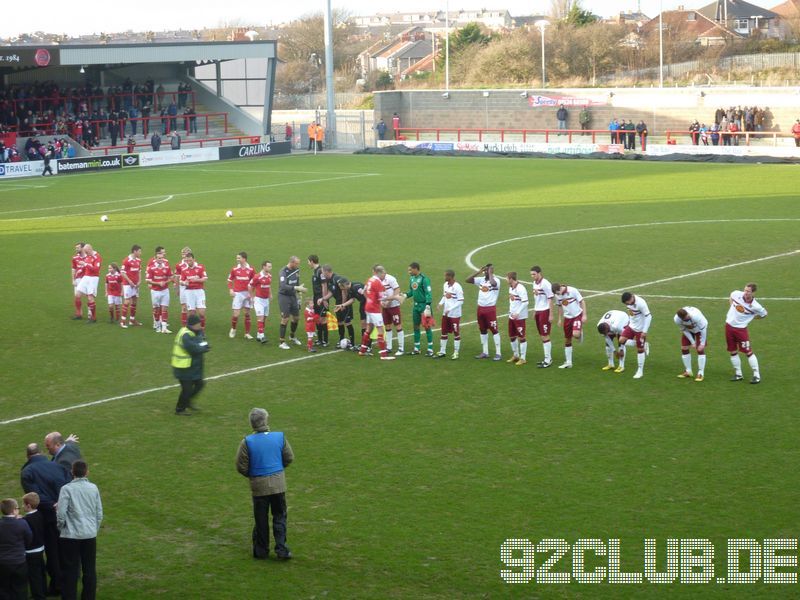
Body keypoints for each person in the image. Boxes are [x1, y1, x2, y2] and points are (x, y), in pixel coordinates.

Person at [235, 408, 294, 560]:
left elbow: (241, 466)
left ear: (252, 424)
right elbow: (289, 458)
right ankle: (281, 549)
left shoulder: (247, 442)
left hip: (258, 487)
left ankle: (261, 551)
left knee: (261, 519)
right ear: (266, 421)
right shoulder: (279, 437)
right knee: (279, 516)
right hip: (278, 485)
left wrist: (254, 475)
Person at [20, 444, 70, 597]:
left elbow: (35, 497)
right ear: (41, 452)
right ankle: (68, 581)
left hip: (47, 518)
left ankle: (57, 585)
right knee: (65, 550)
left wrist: (52, 505)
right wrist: (62, 503)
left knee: (53, 552)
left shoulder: (27, 472)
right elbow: (68, 486)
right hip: (65, 514)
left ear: (28, 456)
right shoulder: (57, 466)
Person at [56, 460, 103, 600]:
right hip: (89, 534)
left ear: (72, 472)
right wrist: (94, 529)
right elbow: (99, 513)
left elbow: (61, 513)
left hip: (70, 536)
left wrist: (61, 528)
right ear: (87, 472)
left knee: (70, 569)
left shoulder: (66, 489)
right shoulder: (93, 488)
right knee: (89, 569)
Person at [726, 283, 767, 384]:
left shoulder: (756, 306)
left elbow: (764, 314)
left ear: (753, 293)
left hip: (741, 330)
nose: (746, 293)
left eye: (748, 291)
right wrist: (732, 306)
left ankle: (757, 375)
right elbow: (731, 296)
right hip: (729, 326)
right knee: (732, 351)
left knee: (748, 352)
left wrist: (753, 318)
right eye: (745, 290)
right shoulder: (736, 294)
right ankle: (738, 374)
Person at [171, 314, 210, 415]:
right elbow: (193, 348)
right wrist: (204, 348)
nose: (200, 326)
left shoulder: (197, 331)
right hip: (183, 367)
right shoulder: (186, 334)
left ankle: (187, 402)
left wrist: (205, 345)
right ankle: (180, 409)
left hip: (193, 367)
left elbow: (203, 341)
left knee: (199, 384)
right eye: (198, 324)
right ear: (193, 325)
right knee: (187, 389)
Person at [466, 263, 502, 360]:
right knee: (482, 329)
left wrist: (490, 273)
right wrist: (478, 272)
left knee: (494, 330)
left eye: (488, 270)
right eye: (485, 270)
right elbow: (468, 280)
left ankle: (498, 353)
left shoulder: (496, 280)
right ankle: (485, 352)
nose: (486, 272)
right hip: (480, 308)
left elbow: (493, 284)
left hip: (490, 309)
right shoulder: (481, 280)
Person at [359, 265, 395, 360]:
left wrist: (370, 299)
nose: (385, 275)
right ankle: (384, 355)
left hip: (368, 307)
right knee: (380, 330)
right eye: (384, 273)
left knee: (368, 329)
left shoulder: (370, 280)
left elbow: (364, 291)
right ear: (379, 273)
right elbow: (382, 298)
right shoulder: (378, 282)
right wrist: (395, 297)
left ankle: (362, 350)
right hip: (375, 309)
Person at [0, 498, 32, 600]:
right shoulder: (22, 523)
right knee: (20, 588)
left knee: (3, 589)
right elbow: (29, 538)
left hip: (2, 562)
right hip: (19, 561)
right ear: (14, 510)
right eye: (17, 508)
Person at [551, 282, 587, 369]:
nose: (558, 295)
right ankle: (568, 362)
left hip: (577, 315)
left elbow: (582, 301)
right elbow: (559, 306)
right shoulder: (557, 295)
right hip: (567, 318)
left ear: (560, 288)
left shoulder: (572, 290)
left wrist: (585, 315)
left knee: (575, 334)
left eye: (558, 293)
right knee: (567, 340)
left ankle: (579, 332)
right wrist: (560, 319)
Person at [403, 262, 434, 356]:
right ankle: (417, 348)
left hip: (424, 306)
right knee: (416, 326)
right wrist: (405, 295)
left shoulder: (424, 279)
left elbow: (428, 293)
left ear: (416, 269)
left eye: (410, 270)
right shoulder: (412, 279)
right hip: (416, 306)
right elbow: (412, 291)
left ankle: (430, 349)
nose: (409, 272)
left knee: (427, 326)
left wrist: (428, 306)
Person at [619, 291, 652, 379]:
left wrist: (644, 331)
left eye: (628, 302)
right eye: (626, 303)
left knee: (640, 350)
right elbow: (632, 314)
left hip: (640, 329)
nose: (628, 304)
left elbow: (648, 316)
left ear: (632, 297)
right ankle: (644, 344)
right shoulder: (628, 303)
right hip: (631, 326)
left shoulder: (641, 303)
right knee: (621, 340)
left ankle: (640, 371)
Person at [277, 256, 307, 350]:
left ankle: (292, 336)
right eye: (297, 263)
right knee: (285, 318)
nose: (298, 265)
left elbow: (296, 282)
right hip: (284, 296)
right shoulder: (283, 272)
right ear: (292, 262)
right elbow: (283, 286)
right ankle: (282, 342)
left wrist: (299, 292)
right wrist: (296, 288)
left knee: (296, 317)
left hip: (293, 296)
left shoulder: (296, 270)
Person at [22, 492, 47, 600]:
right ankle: (44, 591)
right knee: (41, 571)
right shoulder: (40, 515)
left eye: (23, 504)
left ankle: (38, 596)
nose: (22, 506)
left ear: (28, 505)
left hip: (31, 551)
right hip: (40, 548)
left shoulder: (25, 520)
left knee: (34, 575)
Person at [435, 270, 464, 360]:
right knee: (443, 332)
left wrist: (450, 309)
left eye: (445, 276)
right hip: (446, 313)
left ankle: (456, 352)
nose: (444, 277)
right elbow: (445, 296)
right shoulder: (445, 285)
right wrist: (440, 304)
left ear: (450, 276)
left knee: (456, 332)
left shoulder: (457, 287)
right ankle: (442, 351)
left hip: (454, 314)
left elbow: (461, 301)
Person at [674, 306, 708, 382]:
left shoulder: (696, 316)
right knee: (684, 348)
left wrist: (702, 344)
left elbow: (703, 330)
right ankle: (688, 371)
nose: (688, 318)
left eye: (688, 316)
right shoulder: (677, 319)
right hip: (689, 330)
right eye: (686, 318)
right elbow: (684, 330)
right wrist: (692, 342)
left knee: (699, 349)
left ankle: (701, 373)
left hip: (700, 329)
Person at [530, 266, 554, 368]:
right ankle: (547, 358)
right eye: (531, 274)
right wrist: (535, 311)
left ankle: (548, 360)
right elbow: (537, 298)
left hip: (545, 311)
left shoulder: (545, 283)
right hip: (539, 311)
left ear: (539, 273)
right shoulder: (534, 283)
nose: (532, 276)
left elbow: (550, 299)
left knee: (545, 335)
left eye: (534, 274)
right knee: (541, 335)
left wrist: (551, 314)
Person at [228, 252, 255, 340]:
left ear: (244, 259)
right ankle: (233, 329)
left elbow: (254, 282)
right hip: (238, 294)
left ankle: (247, 333)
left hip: (247, 294)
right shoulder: (235, 269)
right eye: (237, 258)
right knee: (236, 314)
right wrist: (231, 289)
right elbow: (229, 280)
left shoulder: (251, 269)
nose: (237, 259)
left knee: (247, 313)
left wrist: (251, 294)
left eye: (239, 258)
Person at [146, 247, 172, 334]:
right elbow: (148, 280)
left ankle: (164, 328)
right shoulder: (151, 268)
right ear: (156, 259)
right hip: (155, 291)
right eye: (159, 258)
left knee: (164, 308)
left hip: (165, 290)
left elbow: (171, 277)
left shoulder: (167, 266)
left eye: (162, 258)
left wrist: (165, 282)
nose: (161, 260)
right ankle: (157, 325)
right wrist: (157, 284)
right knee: (156, 309)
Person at [335, 278, 366, 348]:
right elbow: (352, 300)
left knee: (366, 324)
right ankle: (364, 344)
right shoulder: (350, 289)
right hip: (362, 304)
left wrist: (371, 305)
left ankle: (366, 345)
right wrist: (342, 305)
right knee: (363, 324)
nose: (341, 289)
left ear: (345, 285)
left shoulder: (356, 287)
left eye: (341, 287)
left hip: (367, 305)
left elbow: (366, 294)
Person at [506, 272, 529, 366]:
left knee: (521, 337)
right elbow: (513, 301)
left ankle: (523, 358)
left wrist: (518, 312)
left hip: (519, 317)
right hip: (511, 316)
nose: (506, 280)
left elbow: (526, 302)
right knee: (512, 336)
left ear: (511, 279)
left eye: (507, 278)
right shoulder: (511, 287)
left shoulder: (521, 288)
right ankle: (515, 355)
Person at [180, 253, 207, 330]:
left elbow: (205, 278)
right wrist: (184, 283)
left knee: (202, 312)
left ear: (194, 260)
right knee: (191, 313)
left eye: (190, 260)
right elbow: (181, 281)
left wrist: (196, 280)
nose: (189, 262)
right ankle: (193, 330)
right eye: (187, 261)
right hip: (189, 292)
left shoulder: (200, 267)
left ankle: (202, 331)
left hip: (199, 291)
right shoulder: (184, 270)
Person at [75, 243, 102, 323]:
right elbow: (87, 266)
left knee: (90, 298)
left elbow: (96, 269)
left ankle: (93, 318)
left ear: (90, 249)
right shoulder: (88, 256)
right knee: (77, 294)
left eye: (87, 252)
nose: (86, 254)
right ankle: (79, 314)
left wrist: (85, 264)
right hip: (86, 277)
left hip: (93, 278)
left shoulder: (97, 257)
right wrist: (81, 269)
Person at [381, 269, 405, 356]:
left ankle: (401, 348)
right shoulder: (378, 280)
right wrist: (382, 303)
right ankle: (389, 347)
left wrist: (389, 301)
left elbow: (397, 290)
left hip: (394, 306)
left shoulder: (391, 279)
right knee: (387, 325)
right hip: (385, 306)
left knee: (398, 325)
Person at [308, 255, 329, 347]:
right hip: (317, 298)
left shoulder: (320, 271)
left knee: (323, 319)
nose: (308, 264)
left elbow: (324, 285)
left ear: (312, 261)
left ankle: (325, 341)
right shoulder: (315, 271)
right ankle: (320, 340)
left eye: (308, 262)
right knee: (318, 318)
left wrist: (324, 299)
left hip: (321, 298)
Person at [249, 261, 273, 344]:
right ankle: (262, 336)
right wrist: (252, 297)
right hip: (258, 300)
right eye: (269, 266)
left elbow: (268, 286)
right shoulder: (257, 277)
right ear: (264, 267)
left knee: (264, 319)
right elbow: (250, 286)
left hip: (266, 300)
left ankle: (259, 334)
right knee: (261, 318)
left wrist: (270, 294)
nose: (270, 268)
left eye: (271, 266)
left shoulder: (269, 276)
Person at [120, 245, 143, 328]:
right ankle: (122, 321)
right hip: (128, 285)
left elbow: (139, 271)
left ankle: (132, 320)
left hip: (136, 285)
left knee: (134, 301)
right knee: (127, 301)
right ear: (134, 251)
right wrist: (129, 281)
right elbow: (122, 272)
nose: (140, 253)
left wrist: (140, 281)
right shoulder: (126, 260)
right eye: (139, 251)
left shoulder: (138, 260)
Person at [71, 243, 86, 319]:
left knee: (89, 296)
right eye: (76, 248)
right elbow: (73, 269)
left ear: (83, 248)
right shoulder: (75, 257)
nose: (76, 249)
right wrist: (73, 280)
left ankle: (90, 314)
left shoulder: (89, 257)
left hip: (87, 279)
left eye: (78, 248)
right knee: (77, 296)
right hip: (78, 279)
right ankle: (79, 314)